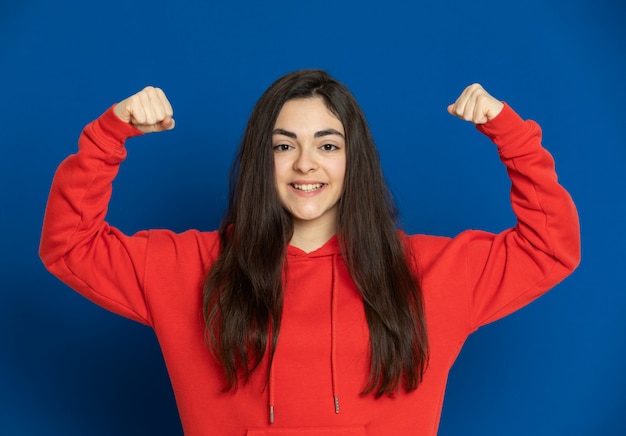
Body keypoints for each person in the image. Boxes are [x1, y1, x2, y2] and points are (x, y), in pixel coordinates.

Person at [39, 69, 580, 435]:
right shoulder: (188, 269)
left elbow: (552, 246)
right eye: (283, 146)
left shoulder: (430, 274)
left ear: (353, 161)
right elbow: (69, 243)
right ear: (261, 160)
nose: (305, 164)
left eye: (327, 144)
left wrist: (511, 135)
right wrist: (110, 135)